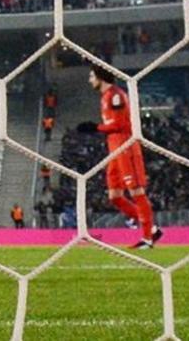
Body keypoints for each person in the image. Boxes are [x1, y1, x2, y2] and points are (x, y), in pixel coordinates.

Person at [77, 66, 163, 249]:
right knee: (114, 196)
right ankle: (153, 229)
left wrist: (95, 128)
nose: (89, 80)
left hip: (126, 146)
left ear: (101, 77)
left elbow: (120, 123)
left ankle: (147, 239)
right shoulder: (105, 97)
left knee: (136, 192)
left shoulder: (116, 95)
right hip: (114, 148)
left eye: (91, 76)